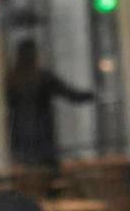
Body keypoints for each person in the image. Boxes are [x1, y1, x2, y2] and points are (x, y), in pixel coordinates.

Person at [9, 30, 97, 168]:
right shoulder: (43, 77)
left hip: (19, 137)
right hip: (43, 135)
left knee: (27, 173)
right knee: (48, 173)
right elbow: (72, 95)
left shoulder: (12, 79)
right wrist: (93, 95)